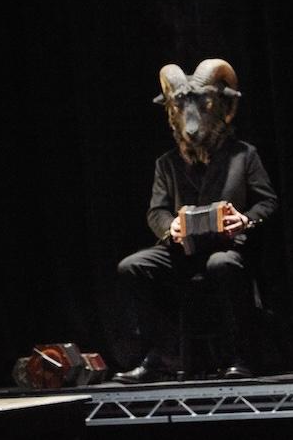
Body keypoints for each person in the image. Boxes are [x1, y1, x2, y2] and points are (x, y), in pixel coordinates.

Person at [113, 59, 277, 383]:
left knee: (221, 264)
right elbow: (156, 211)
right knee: (132, 267)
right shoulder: (167, 164)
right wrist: (169, 227)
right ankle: (161, 355)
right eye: (181, 106)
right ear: (171, 110)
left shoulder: (243, 155)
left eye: (202, 106)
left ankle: (238, 356)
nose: (191, 123)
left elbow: (267, 201)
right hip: (182, 252)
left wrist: (245, 220)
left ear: (218, 106)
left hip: (228, 248)